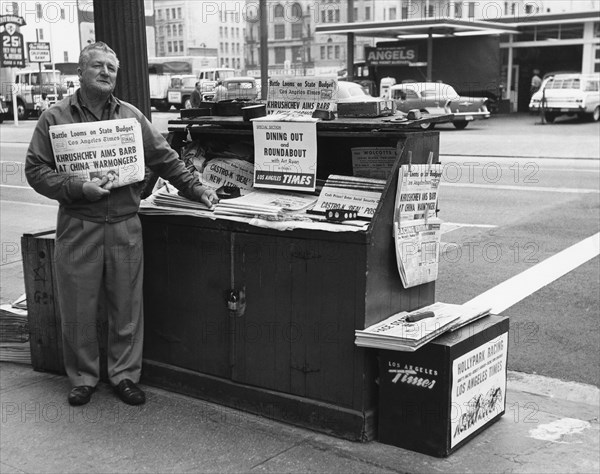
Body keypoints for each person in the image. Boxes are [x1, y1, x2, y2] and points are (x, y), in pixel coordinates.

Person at [25, 42, 219, 407]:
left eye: (111, 68)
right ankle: (82, 378)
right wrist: (79, 187)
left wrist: (197, 188)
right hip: (79, 223)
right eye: (97, 66)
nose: (105, 73)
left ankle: (125, 376)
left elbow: (166, 159)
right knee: (78, 307)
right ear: (80, 73)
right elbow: (36, 170)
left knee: (127, 307)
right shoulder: (53, 118)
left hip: (125, 226)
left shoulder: (132, 117)